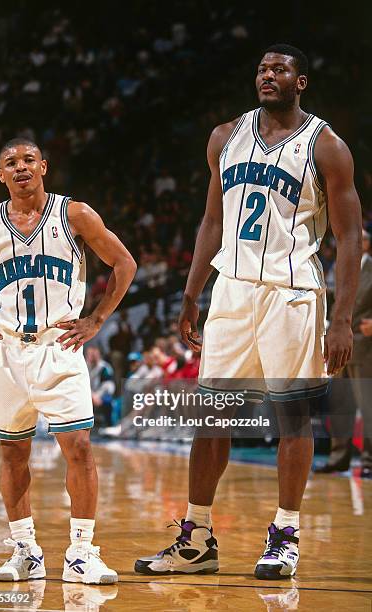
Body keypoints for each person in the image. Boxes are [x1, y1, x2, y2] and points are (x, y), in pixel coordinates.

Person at [135, 44, 362, 579]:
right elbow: (211, 220)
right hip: (232, 292)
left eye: (279, 69)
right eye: (262, 68)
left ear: (300, 82)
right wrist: (193, 292)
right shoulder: (225, 136)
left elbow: (351, 238)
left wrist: (343, 317)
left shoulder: (326, 146)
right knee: (210, 421)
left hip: (292, 292)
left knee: (292, 418)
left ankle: (285, 536)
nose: (267, 75)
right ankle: (196, 541)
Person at [0, 138, 136, 584]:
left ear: (44, 166)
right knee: (12, 452)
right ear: (0, 175)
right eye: (9, 163)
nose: (20, 168)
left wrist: (96, 320)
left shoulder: (74, 214)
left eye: (27, 160)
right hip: (6, 351)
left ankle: (82, 553)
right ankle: (25, 550)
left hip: (59, 347)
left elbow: (124, 263)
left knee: (78, 449)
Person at [314, 229, 372, 477]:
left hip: (365, 345)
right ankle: (339, 458)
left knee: (367, 406)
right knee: (340, 405)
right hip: (339, 344)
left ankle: (369, 460)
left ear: (366, 243)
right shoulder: (339, 267)